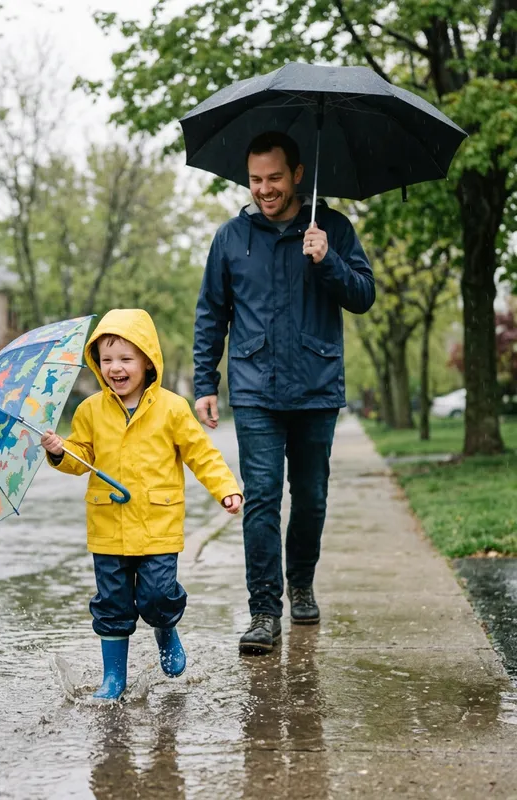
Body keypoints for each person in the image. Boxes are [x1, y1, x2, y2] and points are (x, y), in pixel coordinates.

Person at [193, 131, 375, 655]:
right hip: (254, 390)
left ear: (297, 174)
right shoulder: (231, 238)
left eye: (274, 178)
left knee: (312, 498)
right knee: (263, 499)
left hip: (317, 387)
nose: (265, 189)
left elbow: (363, 296)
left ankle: (301, 582)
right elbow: (212, 314)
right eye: (255, 180)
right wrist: (206, 382)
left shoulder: (333, 228)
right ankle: (264, 610)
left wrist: (328, 260)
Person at [41, 308, 243, 700]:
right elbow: (79, 457)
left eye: (125, 359)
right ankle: (114, 678)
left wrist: (225, 488)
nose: (115, 368)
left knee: (157, 595)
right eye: (106, 360)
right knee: (112, 603)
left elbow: (201, 454)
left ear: (148, 360)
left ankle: (165, 629)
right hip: (108, 528)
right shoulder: (90, 410)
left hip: (157, 526)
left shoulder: (172, 408)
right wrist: (59, 450)